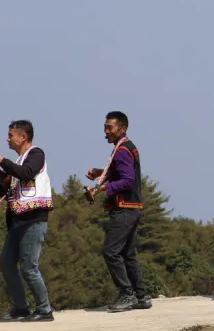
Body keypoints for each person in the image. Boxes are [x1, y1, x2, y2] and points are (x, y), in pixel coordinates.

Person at [0, 120, 55, 322]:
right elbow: (11, 193)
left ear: (23, 136)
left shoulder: (36, 154)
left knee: (29, 267)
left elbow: (27, 173)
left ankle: (44, 309)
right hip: (17, 222)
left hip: (34, 220)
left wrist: (2, 161)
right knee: (7, 264)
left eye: (11, 135)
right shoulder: (19, 161)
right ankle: (20, 307)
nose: (8, 139)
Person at [85, 111, 152, 312]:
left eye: (110, 128)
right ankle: (141, 296)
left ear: (122, 129)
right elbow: (121, 173)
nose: (106, 132)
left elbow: (128, 180)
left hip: (123, 208)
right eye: (105, 128)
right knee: (128, 253)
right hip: (132, 207)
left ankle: (126, 294)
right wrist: (101, 173)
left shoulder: (122, 150)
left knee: (111, 251)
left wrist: (102, 188)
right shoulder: (127, 147)